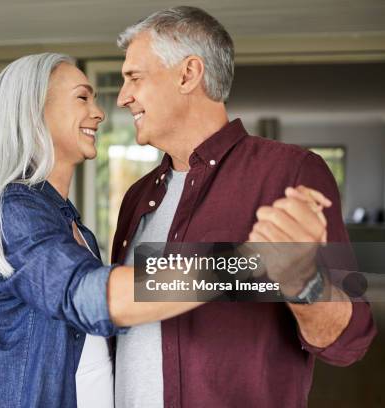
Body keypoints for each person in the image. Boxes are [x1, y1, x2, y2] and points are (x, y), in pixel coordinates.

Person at [111, 6, 377, 408]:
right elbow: (127, 306)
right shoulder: (139, 195)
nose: (122, 97)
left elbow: (349, 341)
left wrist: (303, 282)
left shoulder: (289, 172)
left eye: (134, 77)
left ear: (188, 74)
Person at [0, 53, 211, 408]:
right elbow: (87, 295)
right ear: (33, 112)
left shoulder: (70, 225)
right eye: (82, 97)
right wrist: (238, 267)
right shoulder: (14, 210)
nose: (99, 112)